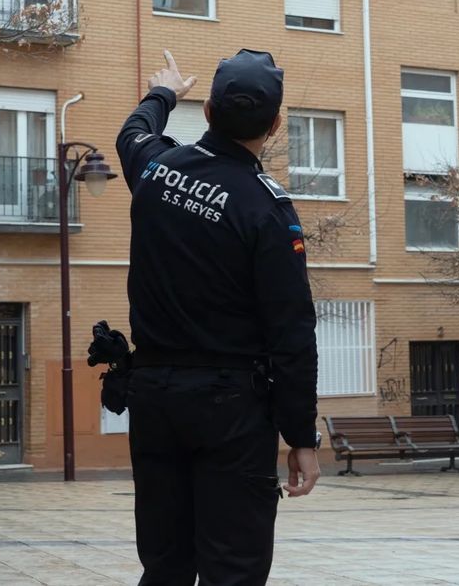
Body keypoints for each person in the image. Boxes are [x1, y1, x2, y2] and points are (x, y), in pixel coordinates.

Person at [115, 49, 321, 586]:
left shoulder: (158, 170)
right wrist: (301, 436)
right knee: (234, 568)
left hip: (154, 396)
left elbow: (132, 134)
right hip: (230, 407)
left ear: (207, 110)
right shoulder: (266, 210)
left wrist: (162, 92)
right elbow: (292, 333)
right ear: (275, 125)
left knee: (165, 565)